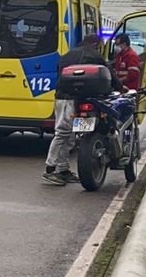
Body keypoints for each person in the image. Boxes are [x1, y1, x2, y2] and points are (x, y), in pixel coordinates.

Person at [45, 32, 119, 186]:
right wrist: (120, 87)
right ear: (96, 44)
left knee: (70, 136)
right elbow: (109, 73)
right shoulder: (94, 55)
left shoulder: (67, 55)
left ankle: (63, 170)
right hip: (70, 99)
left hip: (63, 97)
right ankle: (50, 170)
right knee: (63, 133)